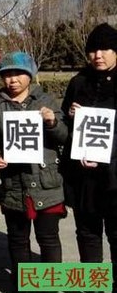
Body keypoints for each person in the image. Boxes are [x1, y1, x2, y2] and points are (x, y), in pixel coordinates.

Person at [0, 52, 67, 291]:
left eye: (18, 74)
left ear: (30, 75)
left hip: (46, 181)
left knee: (49, 238)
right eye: (7, 75)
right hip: (13, 184)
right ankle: (25, 286)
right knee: (18, 239)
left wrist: (52, 122)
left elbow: (64, 136)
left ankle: (50, 285)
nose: (12, 80)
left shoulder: (46, 100)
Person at [60, 22, 117, 291]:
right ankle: (93, 286)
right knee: (87, 234)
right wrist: (70, 116)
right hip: (84, 178)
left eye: (105, 49)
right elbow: (64, 126)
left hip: (114, 177)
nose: (99, 55)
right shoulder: (78, 82)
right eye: (93, 50)